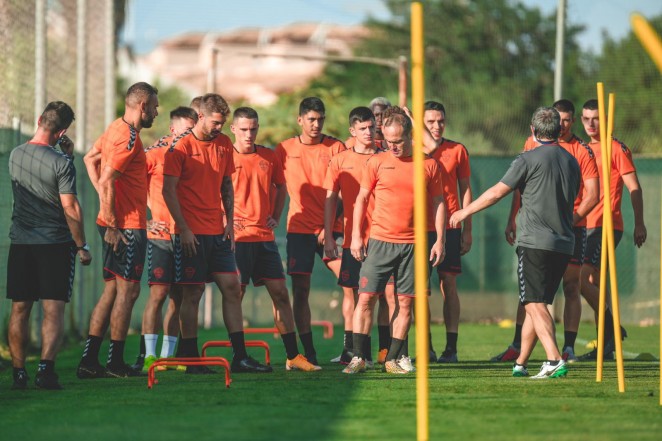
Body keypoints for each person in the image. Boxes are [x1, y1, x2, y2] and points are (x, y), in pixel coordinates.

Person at [451, 106, 580, 379]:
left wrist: (464, 211)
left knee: (533, 303)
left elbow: (497, 192)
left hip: (535, 242)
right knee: (538, 303)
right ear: (558, 130)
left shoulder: (527, 159)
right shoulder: (571, 161)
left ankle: (554, 358)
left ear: (532, 131)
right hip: (564, 242)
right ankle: (521, 361)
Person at [163, 93, 271, 374]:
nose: (220, 128)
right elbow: (168, 191)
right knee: (193, 293)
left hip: (218, 232)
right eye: (216, 122)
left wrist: (230, 223)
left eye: (223, 123)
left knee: (232, 288)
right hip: (191, 235)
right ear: (200, 117)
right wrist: (183, 229)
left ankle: (240, 356)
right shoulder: (180, 147)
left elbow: (226, 185)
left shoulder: (223, 144)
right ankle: (189, 355)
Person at [493, 99, 599, 363]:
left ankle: (561, 354)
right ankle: (520, 358)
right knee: (533, 298)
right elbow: (519, 189)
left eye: (565, 119)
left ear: (571, 121)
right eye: (557, 119)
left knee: (561, 290)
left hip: (565, 231)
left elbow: (592, 195)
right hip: (545, 233)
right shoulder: (532, 148)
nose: (561, 124)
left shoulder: (580, 152)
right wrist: (512, 220)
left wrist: (568, 219)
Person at [343, 106, 446, 375]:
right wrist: (356, 236)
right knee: (365, 299)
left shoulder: (429, 165)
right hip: (379, 242)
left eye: (398, 141)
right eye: (388, 141)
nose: (393, 146)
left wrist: (440, 240)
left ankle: (394, 358)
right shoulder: (377, 162)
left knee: (405, 303)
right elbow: (361, 199)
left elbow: (438, 203)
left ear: (410, 136)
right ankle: (358, 358)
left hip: (415, 245)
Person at [7, 101, 92, 390]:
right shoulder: (60, 163)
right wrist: (82, 246)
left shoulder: (15, 155)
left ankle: (19, 372)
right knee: (52, 310)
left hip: (21, 242)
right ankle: (45, 370)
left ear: (40, 118)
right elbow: (70, 207)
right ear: (64, 131)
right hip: (54, 244)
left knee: (21, 308)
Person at [78, 82, 159, 379]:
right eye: (154, 106)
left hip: (114, 221)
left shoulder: (115, 127)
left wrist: (104, 207)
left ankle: (89, 361)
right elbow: (108, 180)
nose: (157, 111)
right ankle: (115, 363)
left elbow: (90, 159)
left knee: (112, 290)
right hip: (125, 226)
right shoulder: (128, 138)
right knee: (129, 291)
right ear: (142, 106)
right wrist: (112, 223)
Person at [230, 106, 320, 371]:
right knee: (236, 294)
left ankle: (293, 356)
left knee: (281, 294)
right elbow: (212, 189)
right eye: (244, 129)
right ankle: (240, 357)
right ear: (233, 129)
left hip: (264, 238)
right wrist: (224, 219)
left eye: (253, 128)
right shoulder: (225, 156)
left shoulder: (269, 156)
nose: (249, 134)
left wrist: (276, 215)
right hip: (237, 240)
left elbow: (281, 186)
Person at [275, 97, 346, 365]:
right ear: (300, 120)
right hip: (299, 230)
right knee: (300, 290)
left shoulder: (336, 147)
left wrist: (326, 230)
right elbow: (275, 187)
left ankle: (352, 350)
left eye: (320, 119)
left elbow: (343, 193)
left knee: (352, 284)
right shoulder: (284, 149)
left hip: (331, 230)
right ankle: (308, 352)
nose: (316, 125)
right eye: (311, 119)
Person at [577, 99, 646, 360]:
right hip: (584, 224)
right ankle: (606, 345)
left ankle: (612, 329)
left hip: (605, 225)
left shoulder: (615, 148)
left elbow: (634, 187)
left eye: (595, 118)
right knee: (595, 283)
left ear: (605, 118)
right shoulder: (583, 148)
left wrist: (639, 222)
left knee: (584, 281)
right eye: (586, 119)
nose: (591, 123)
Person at [131, 106, 198, 372]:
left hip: (186, 235)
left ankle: (168, 357)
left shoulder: (195, 154)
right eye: (187, 129)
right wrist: (145, 218)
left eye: (194, 129)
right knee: (157, 294)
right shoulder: (154, 153)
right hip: (160, 235)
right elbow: (131, 186)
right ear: (173, 129)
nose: (191, 134)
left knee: (179, 296)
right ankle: (148, 356)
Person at [323, 106, 384, 366]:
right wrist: (327, 234)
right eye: (362, 128)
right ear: (352, 131)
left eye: (371, 127)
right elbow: (330, 200)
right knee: (356, 296)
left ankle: (389, 352)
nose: (368, 132)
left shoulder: (386, 156)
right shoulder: (339, 160)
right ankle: (357, 352)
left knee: (387, 297)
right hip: (353, 240)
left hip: (384, 237)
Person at [421, 100, 473, 363]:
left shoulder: (457, 150)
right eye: (430, 121)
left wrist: (467, 229)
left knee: (448, 284)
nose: (437, 125)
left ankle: (450, 348)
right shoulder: (413, 151)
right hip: (421, 227)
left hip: (451, 226)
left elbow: (465, 189)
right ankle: (426, 346)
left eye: (440, 120)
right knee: (420, 290)